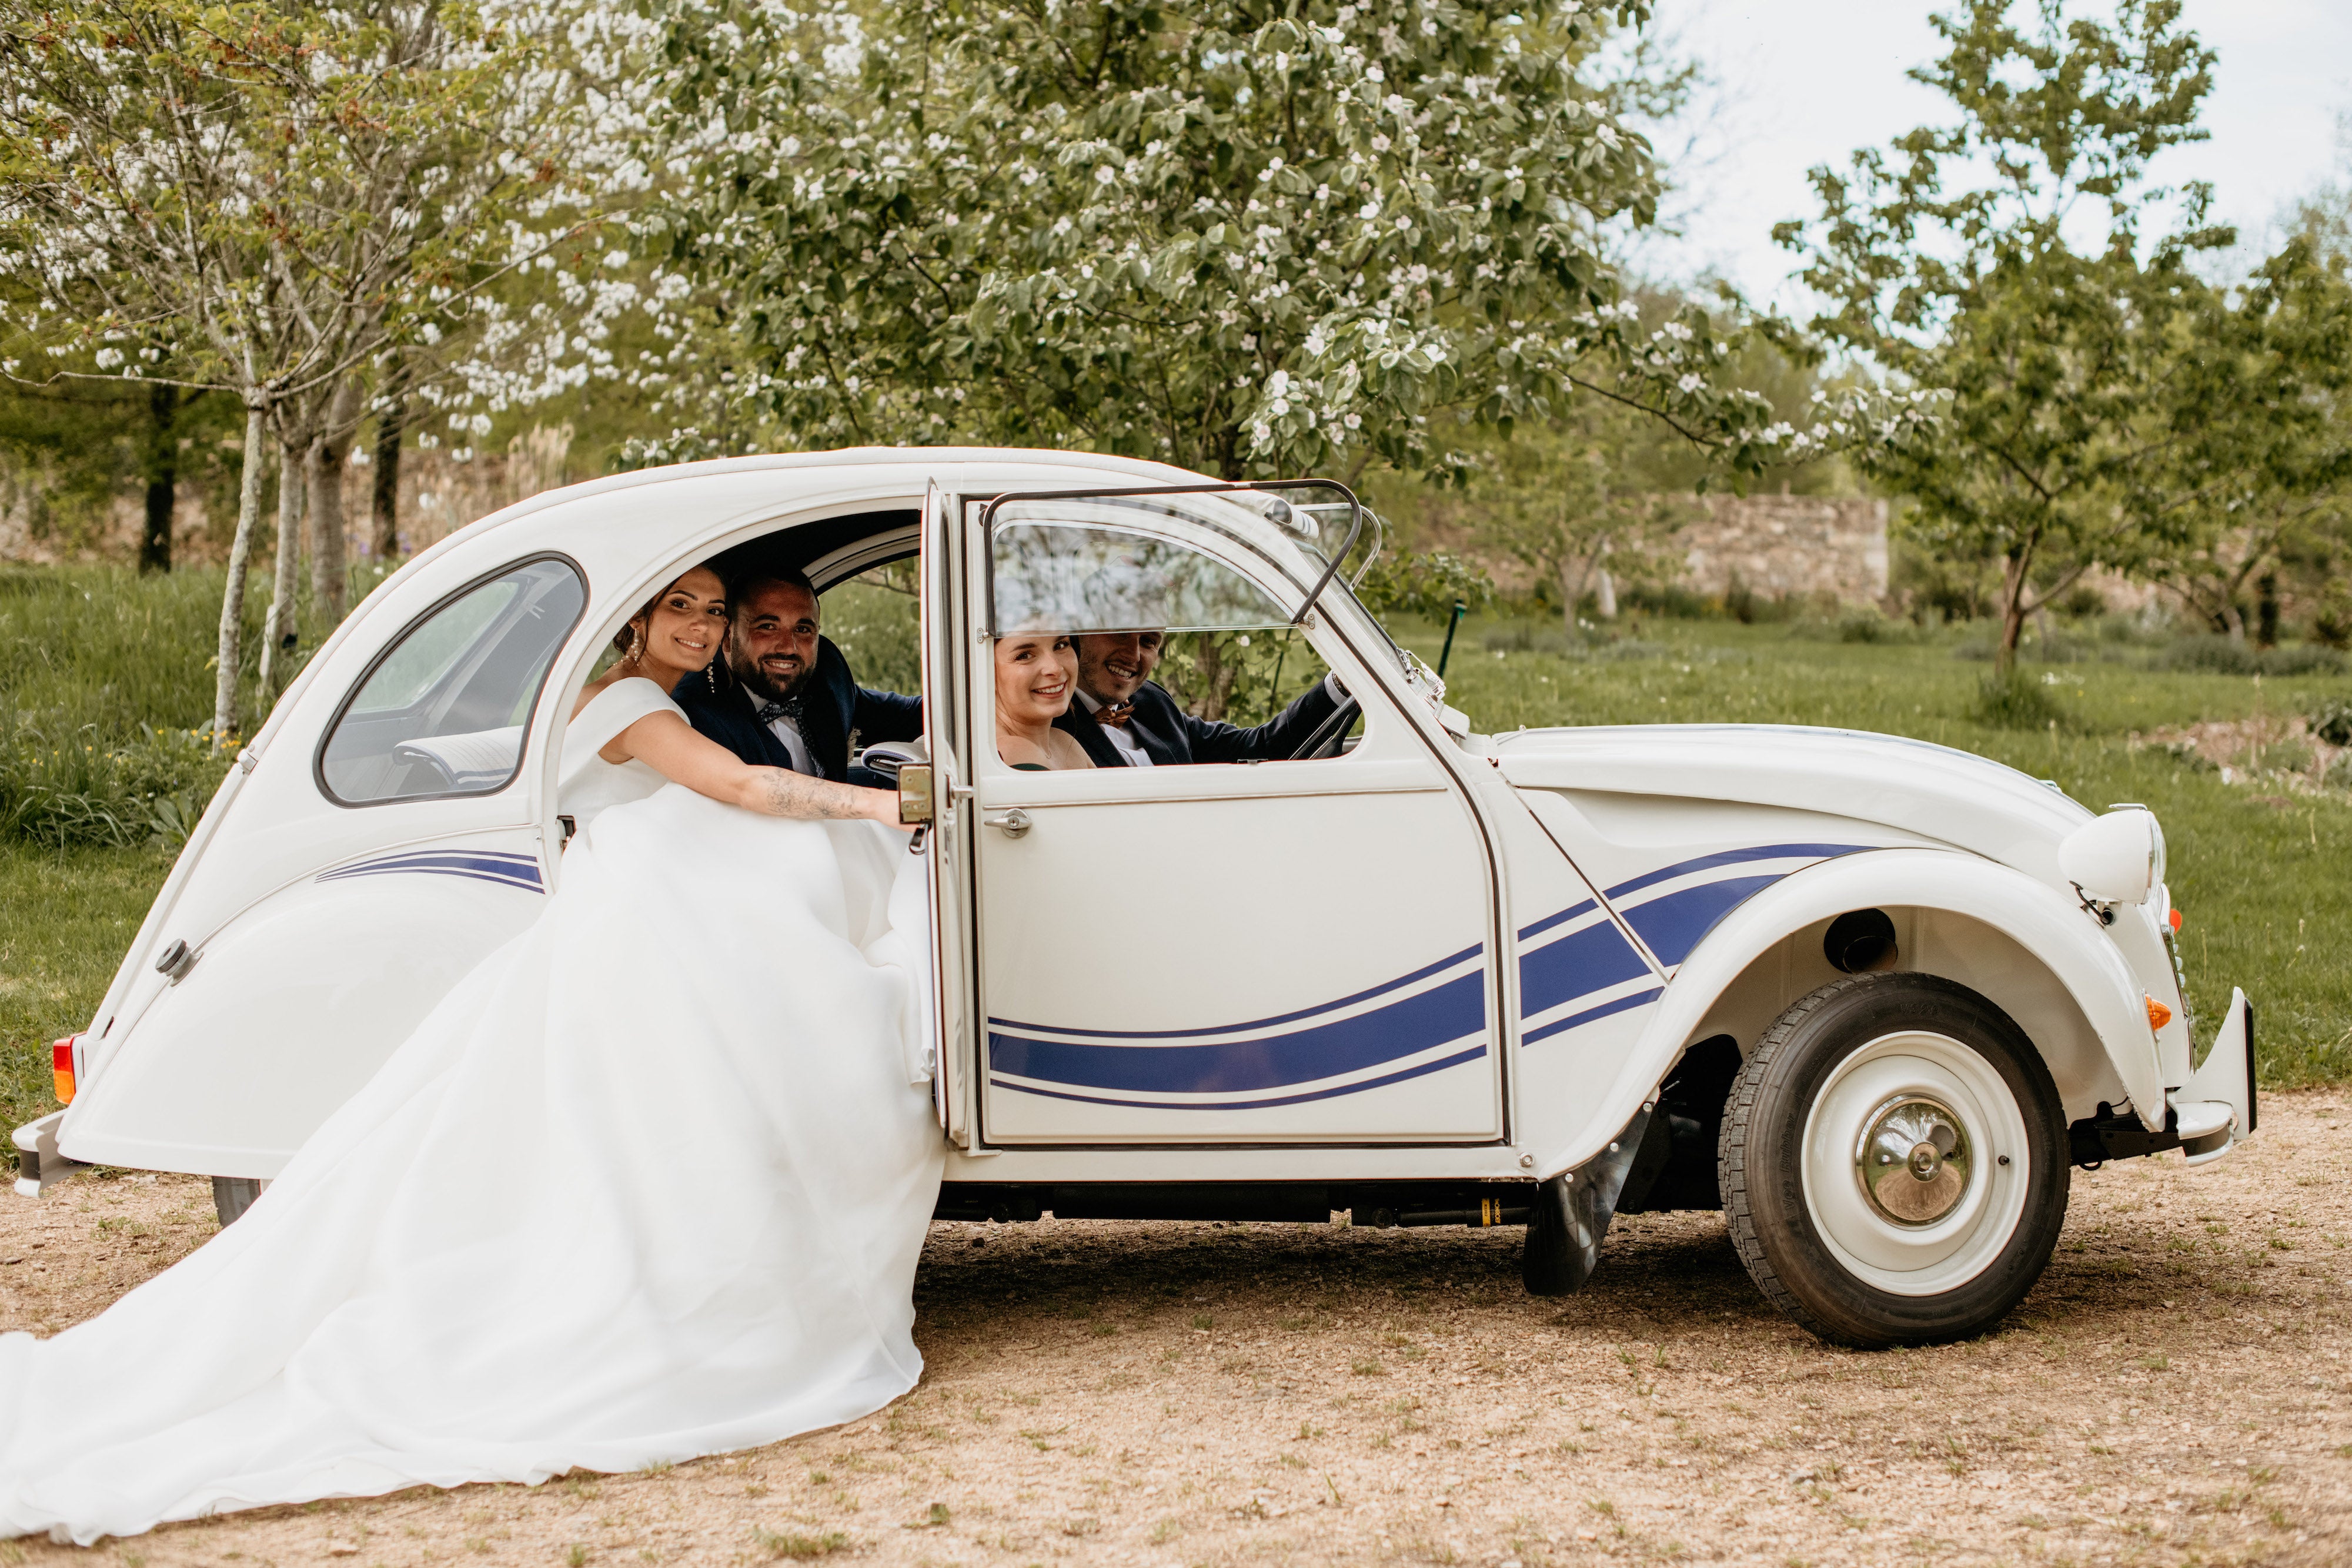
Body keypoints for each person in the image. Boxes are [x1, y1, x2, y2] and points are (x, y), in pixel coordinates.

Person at [0, 565, 945, 1545]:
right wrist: (887, 811)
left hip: (642, 925)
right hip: (642, 933)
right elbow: (741, 785)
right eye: (683, 608)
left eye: (714, 612)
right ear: (638, 618)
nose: (704, 628)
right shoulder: (626, 700)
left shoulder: (669, 695)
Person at [672, 566, 923, 787]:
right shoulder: (695, 713)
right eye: (767, 627)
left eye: (803, 630)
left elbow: (909, 716)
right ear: (728, 636)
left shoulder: (826, 673)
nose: (789, 647)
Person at [1053, 629, 1346, 768]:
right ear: (1079, 636)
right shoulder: (1047, 719)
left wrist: (1339, 685)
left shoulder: (1152, 702)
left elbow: (1254, 746)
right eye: (1119, 634)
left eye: (1149, 642)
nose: (1133, 655)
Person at [995, 630, 1095, 771]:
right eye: (1025, 656)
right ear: (984, 670)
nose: (1056, 668)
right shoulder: (1014, 750)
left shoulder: (1063, 741)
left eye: (1061, 645)